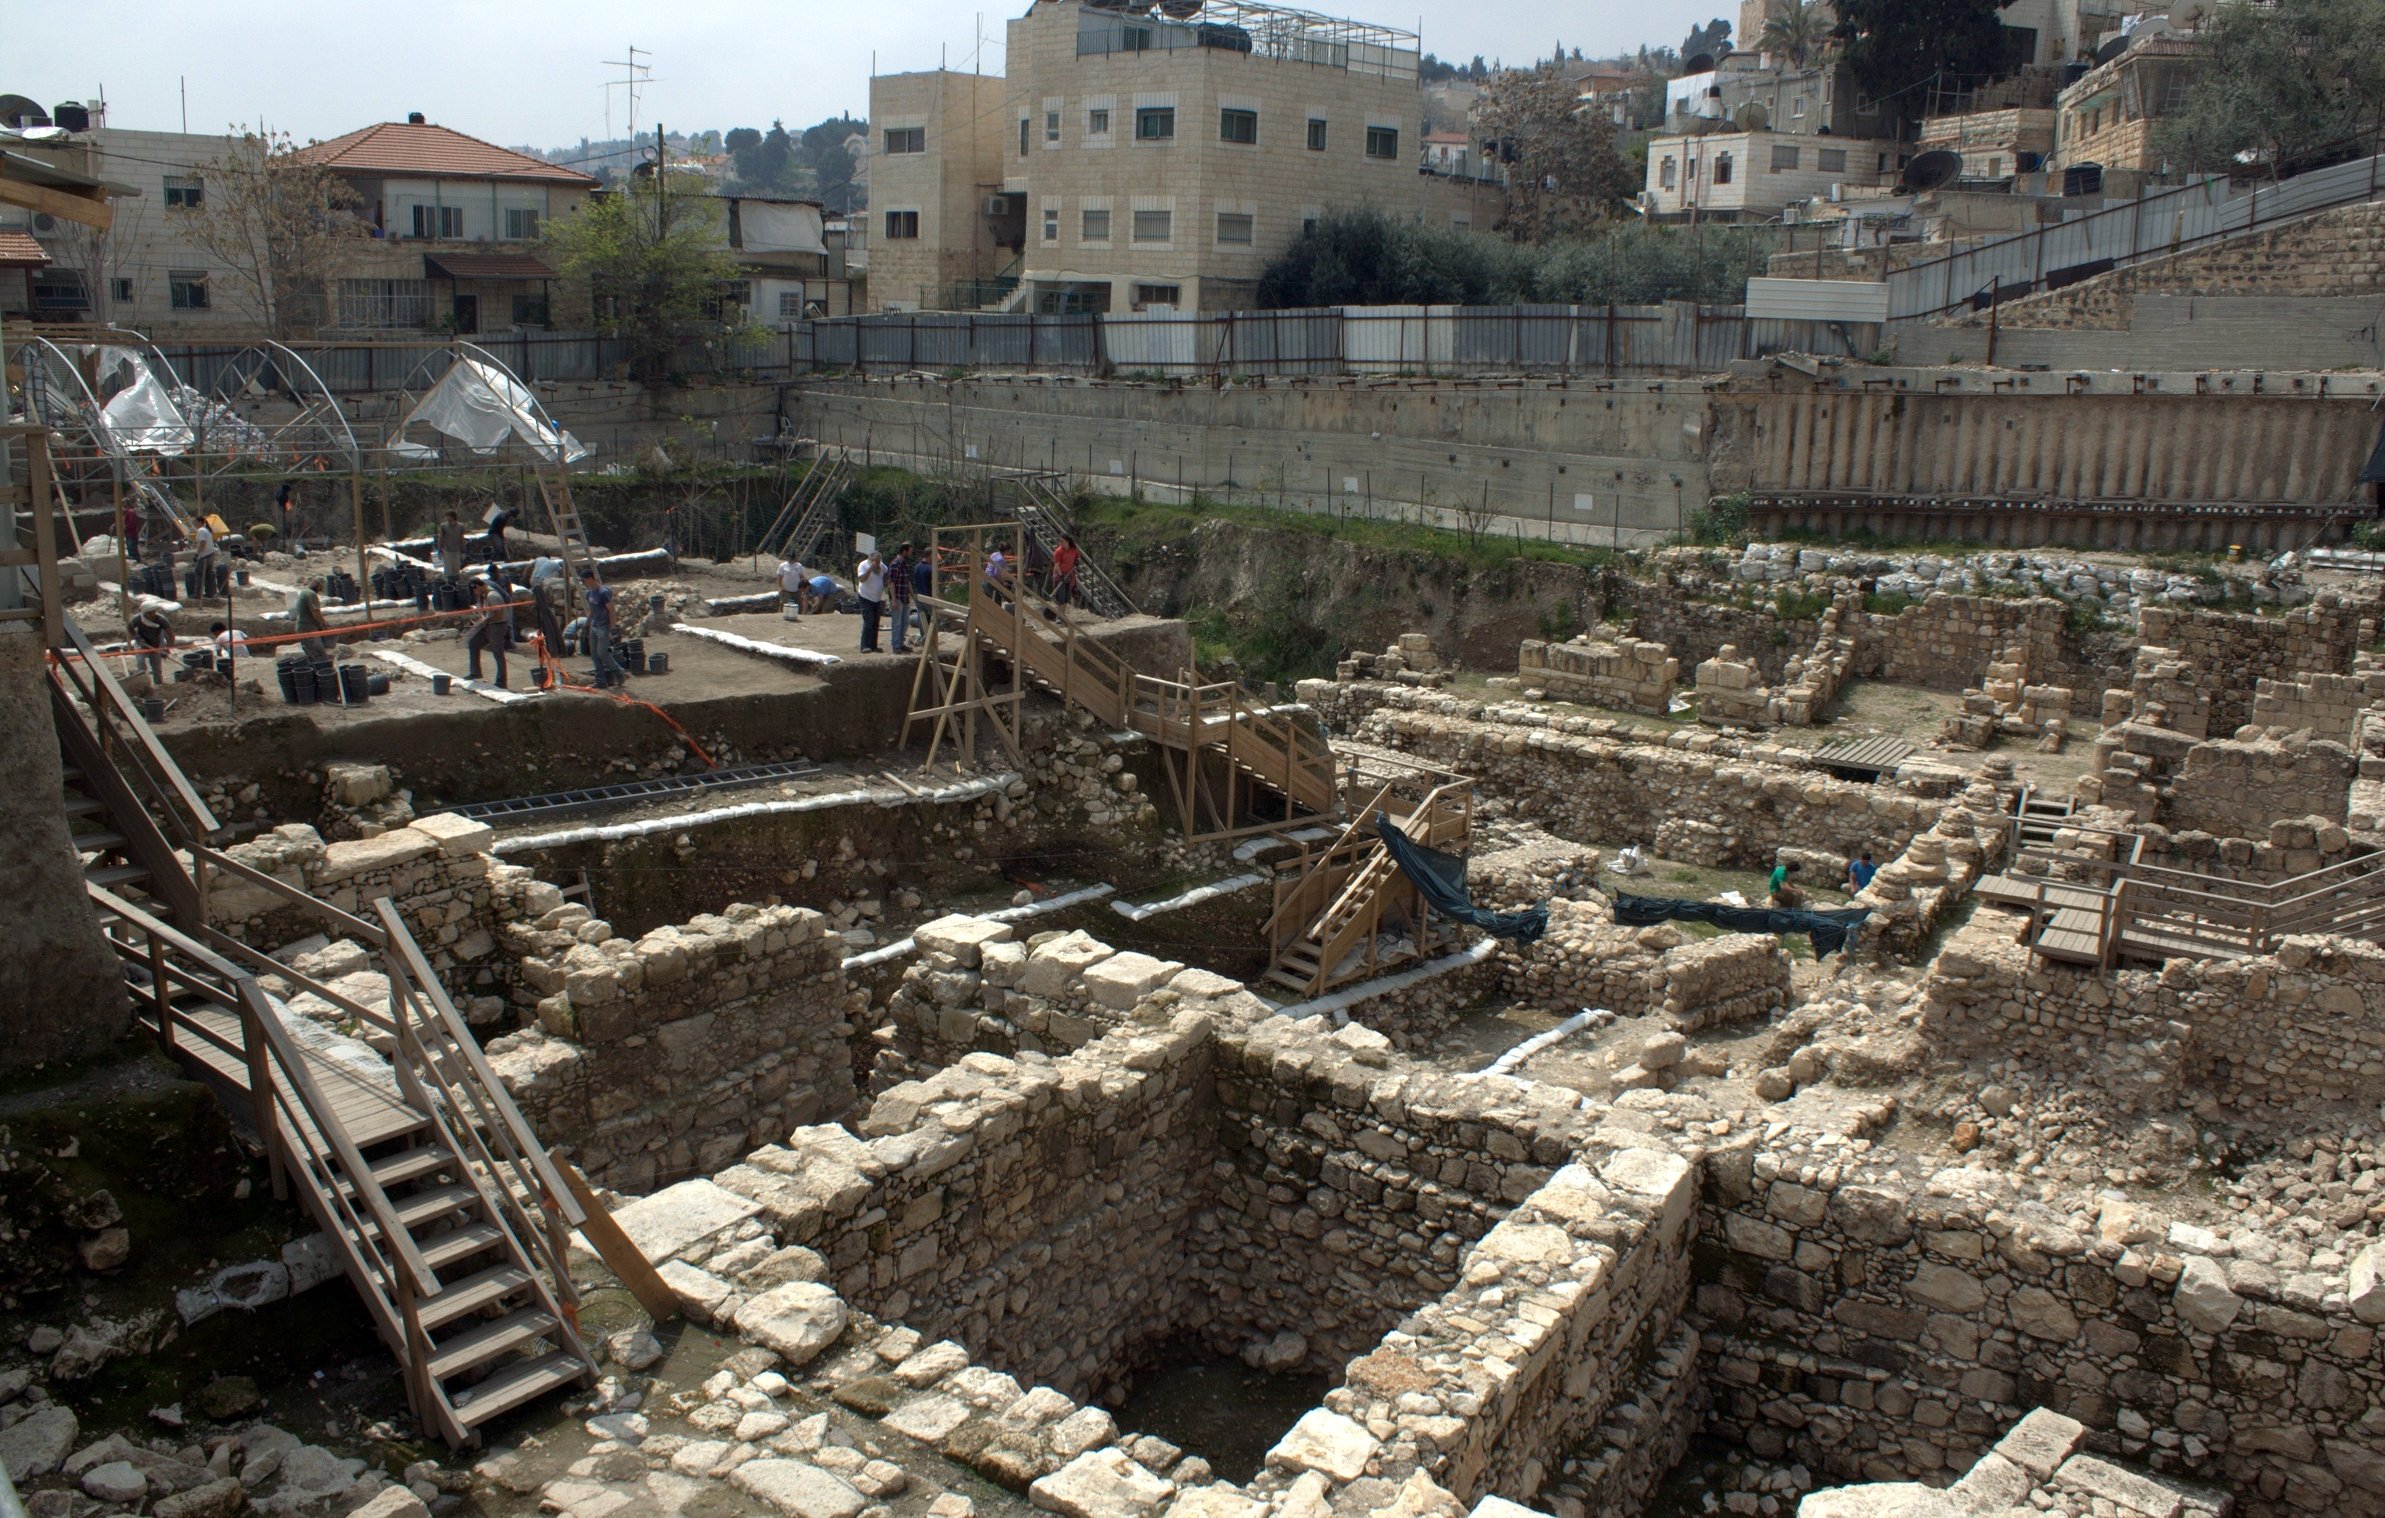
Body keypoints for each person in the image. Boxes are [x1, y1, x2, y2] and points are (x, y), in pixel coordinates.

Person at [464, 579, 513, 688]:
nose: (475, 593)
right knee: (474, 643)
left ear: (478, 587)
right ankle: (475, 672)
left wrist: (484, 620)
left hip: (497, 626)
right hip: (488, 625)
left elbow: (496, 612)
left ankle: (501, 681)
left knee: (498, 653)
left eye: (475, 591)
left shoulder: (492, 595)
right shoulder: (484, 595)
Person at [581, 569, 625, 687]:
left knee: (603, 653)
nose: (583, 583)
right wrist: (587, 623)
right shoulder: (589, 593)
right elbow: (592, 610)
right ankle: (601, 681)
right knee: (595, 655)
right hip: (594, 626)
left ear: (590, 578)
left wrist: (612, 628)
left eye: (584, 580)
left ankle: (619, 672)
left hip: (603, 627)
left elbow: (611, 610)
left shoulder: (603, 593)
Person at [528, 554, 567, 662]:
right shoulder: (554, 564)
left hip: (533, 580)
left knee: (537, 597)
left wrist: (524, 578)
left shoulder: (538, 559)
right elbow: (561, 572)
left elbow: (528, 568)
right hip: (542, 583)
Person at [130, 604, 173, 683]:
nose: (152, 615)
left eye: (153, 612)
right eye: (149, 613)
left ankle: (159, 686)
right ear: (144, 613)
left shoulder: (161, 619)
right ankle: (143, 684)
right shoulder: (137, 619)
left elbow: (171, 635)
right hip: (141, 644)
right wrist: (137, 637)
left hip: (156, 645)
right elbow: (129, 627)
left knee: (157, 668)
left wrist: (166, 649)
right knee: (141, 665)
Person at [854, 549, 887, 653]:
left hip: (876, 599)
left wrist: (885, 581)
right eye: (876, 561)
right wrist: (870, 569)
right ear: (870, 559)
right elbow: (861, 579)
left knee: (876, 622)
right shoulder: (863, 565)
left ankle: (873, 645)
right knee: (868, 621)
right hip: (865, 597)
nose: (877, 563)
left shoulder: (881, 566)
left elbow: (887, 572)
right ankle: (864, 646)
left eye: (879, 561)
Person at [291, 577, 331, 660]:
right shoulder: (311, 594)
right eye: (321, 587)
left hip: (302, 627)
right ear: (318, 585)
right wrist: (324, 623)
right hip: (308, 628)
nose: (321, 590)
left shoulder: (304, 592)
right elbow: (315, 612)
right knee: (319, 655)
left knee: (311, 655)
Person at [886, 542, 915, 654]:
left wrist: (913, 596)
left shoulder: (904, 564)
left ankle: (901, 643)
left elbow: (907, 582)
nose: (910, 554)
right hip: (897, 597)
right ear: (904, 551)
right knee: (897, 623)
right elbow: (892, 583)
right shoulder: (895, 564)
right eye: (910, 551)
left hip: (905, 597)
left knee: (906, 622)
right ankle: (896, 646)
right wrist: (893, 600)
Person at [1048, 534, 1082, 614]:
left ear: (1067, 542)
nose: (1060, 543)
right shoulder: (1058, 552)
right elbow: (1056, 566)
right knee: (1061, 598)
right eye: (1059, 541)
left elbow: (1078, 558)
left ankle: (1062, 614)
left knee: (1066, 597)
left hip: (1069, 576)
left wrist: (1077, 561)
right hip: (1060, 577)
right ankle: (1059, 616)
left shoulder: (1073, 550)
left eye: (1062, 541)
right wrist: (1061, 575)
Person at [907, 549, 934, 642]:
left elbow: (911, 582)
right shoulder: (930, 568)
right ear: (929, 555)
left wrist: (913, 594)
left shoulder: (916, 567)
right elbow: (933, 584)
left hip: (918, 597)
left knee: (922, 618)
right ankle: (930, 639)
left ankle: (923, 638)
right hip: (928, 598)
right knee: (932, 619)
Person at [190, 518, 220, 599]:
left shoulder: (201, 531)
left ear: (200, 522)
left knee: (199, 573)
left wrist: (197, 554)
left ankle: (198, 594)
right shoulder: (206, 530)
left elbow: (203, 542)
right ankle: (210, 593)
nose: (194, 524)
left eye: (195, 522)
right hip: (211, 554)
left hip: (205, 555)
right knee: (208, 574)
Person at [435, 510, 468, 580]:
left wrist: (463, 551)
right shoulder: (444, 526)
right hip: (447, 549)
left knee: (456, 567)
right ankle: (448, 582)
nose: (448, 519)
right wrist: (439, 550)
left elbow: (462, 538)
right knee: (448, 568)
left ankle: (456, 582)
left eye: (449, 517)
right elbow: (440, 538)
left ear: (453, 517)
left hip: (457, 549)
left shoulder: (460, 526)